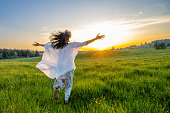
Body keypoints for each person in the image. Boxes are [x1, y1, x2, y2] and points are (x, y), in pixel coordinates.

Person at [32, 30, 105, 104]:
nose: (69, 40)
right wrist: (95, 39)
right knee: (69, 84)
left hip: (60, 67)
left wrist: (39, 44)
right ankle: (66, 99)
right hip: (69, 67)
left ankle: (57, 88)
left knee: (61, 80)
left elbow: (47, 45)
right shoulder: (71, 45)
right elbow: (85, 42)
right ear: (66, 39)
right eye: (68, 38)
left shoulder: (57, 46)